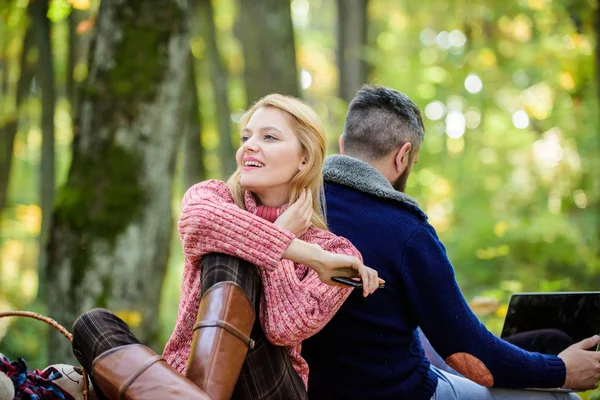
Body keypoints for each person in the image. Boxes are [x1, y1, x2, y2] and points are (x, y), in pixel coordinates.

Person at [71, 93, 382, 400]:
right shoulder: (213, 198)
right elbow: (200, 220)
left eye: (269, 137)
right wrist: (291, 242)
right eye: (246, 137)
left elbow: (283, 328)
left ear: (304, 158)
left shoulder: (335, 251)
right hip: (186, 379)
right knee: (92, 325)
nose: (249, 146)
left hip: (270, 387)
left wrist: (281, 250)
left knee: (234, 258)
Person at [301, 85, 600, 400]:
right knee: (563, 399)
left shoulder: (296, 207)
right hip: (404, 394)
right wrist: (562, 370)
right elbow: (469, 357)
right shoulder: (406, 229)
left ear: (343, 145)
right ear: (403, 156)